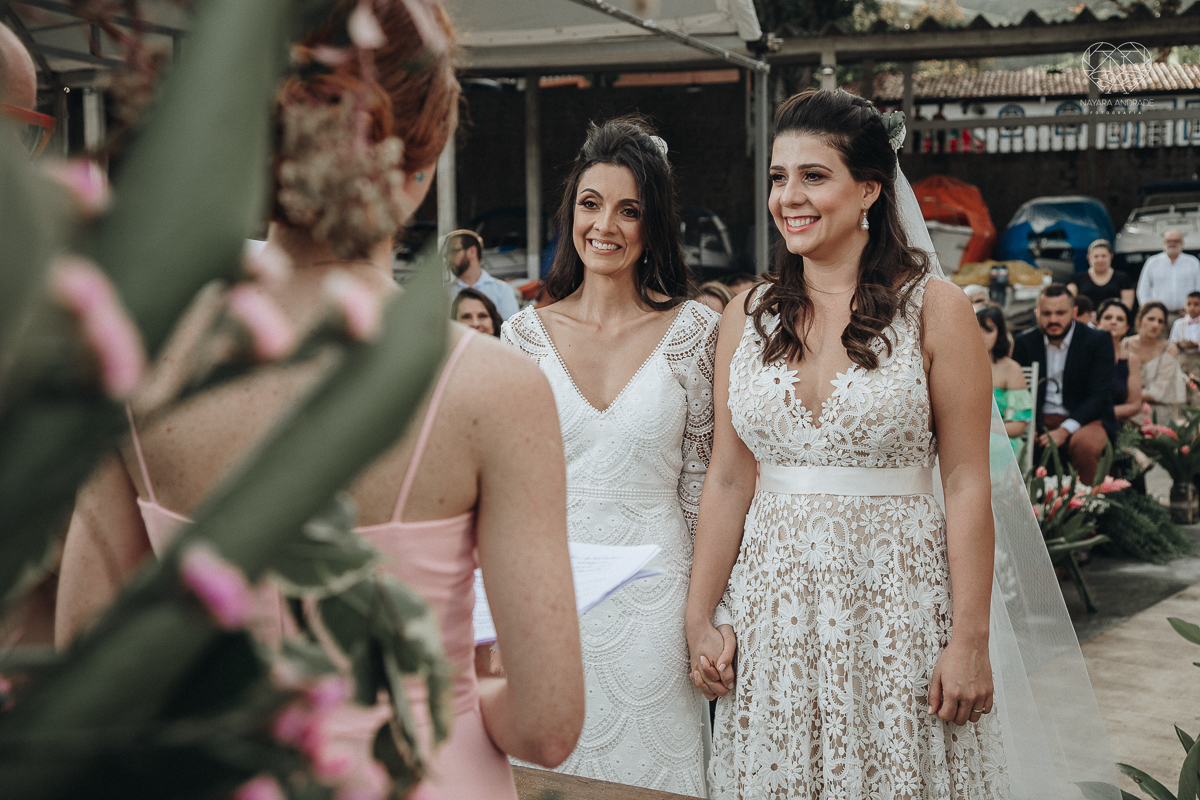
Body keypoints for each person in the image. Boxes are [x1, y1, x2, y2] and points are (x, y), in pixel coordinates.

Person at [54, 4, 584, 799]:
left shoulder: (136, 366)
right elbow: (548, 724)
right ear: (424, 157)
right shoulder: (491, 390)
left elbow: (89, 673)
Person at [686, 88, 1008, 798]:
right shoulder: (748, 313)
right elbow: (730, 479)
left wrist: (970, 639)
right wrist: (699, 614)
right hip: (774, 609)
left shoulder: (937, 309)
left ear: (869, 189)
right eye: (778, 177)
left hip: (895, 602)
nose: (788, 196)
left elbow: (965, 483)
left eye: (813, 175)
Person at [501, 117, 720, 796]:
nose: (607, 226)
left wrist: (707, 614)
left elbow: (707, 487)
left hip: (660, 605)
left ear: (653, 227)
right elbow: (504, 498)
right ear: (571, 214)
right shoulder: (520, 337)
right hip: (548, 604)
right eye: (592, 204)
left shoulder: (694, 333)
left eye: (630, 210)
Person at [1012, 283, 1117, 484]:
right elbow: (1020, 391)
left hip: (1085, 418)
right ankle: (1027, 508)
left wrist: (1065, 429)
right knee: (1014, 444)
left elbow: (1100, 394)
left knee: (1085, 446)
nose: (1053, 320)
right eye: (1046, 313)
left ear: (1074, 311)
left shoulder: (1098, 340)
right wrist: (1028, 422)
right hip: (1040, 417)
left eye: (1060, 313)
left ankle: (1086, 506)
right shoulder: (1025, 342)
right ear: (1036, 313)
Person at [977, 303, 1032, 456]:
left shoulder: (1011, 369)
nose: (982, 335)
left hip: (1000, 440)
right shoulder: (959, 366)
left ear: (999, 333)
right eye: (977, 329)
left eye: (989, 330)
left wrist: (983, 431)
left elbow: (1019, 426)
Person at [1127, 300, 1188, 425]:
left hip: (1158, 409)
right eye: (1151, 319)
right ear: (1139, 320)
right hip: (1126, 407)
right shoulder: (1125, 344)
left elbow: (1157, 392)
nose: (1155, 324)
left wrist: (1124, 394)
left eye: (1160, 321)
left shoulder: (1169, 349)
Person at [445, 229, 520, 321]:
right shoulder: (443, 293)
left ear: (472, 251)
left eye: (453, 251)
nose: (448, 258)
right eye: (446, 255)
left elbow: (511, 331)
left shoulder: (502, 291)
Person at [1095, 299, 1143, 423]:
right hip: (1081, 422)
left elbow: (1134, 404)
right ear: (1097, 323)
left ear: (1127, 327)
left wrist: (1102, 415)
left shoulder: (1131, 360)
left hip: (1116, 422)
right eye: (1108, 317)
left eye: (1120, 319)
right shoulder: (1083, 354)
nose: (1113, 322)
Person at [1136, 229, 1200, 316]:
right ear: (1164, 243)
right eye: (1169, 241)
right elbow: (1143, 290)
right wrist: (1149, 310)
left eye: (1176, 241)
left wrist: (1194, 311)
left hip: (1186, 315)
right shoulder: (1152, 262)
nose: (1172, 244)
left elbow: (1198, 287)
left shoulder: (1193, 262)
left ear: (1182, 243)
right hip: (1159, 316)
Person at [1067, 239, 1135, 310]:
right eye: (1096, 256)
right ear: (1088, 258)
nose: (1100, 260)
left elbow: (1127, 307)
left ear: (1111, 256)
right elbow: (1069, 303)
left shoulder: (1123, 278)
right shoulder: (1076, 279)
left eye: (1103, 256)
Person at [1169, 290, 1200, 399]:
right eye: (1189, 304)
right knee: (1180, 384)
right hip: (1182, 357)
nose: (1192, 307)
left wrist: (1196, 345)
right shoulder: (1178, 323)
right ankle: (1181, 412)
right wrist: (1178, 344)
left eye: (1196, 304)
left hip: (1197, 358)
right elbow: (1172, 341)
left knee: (1196, 385)